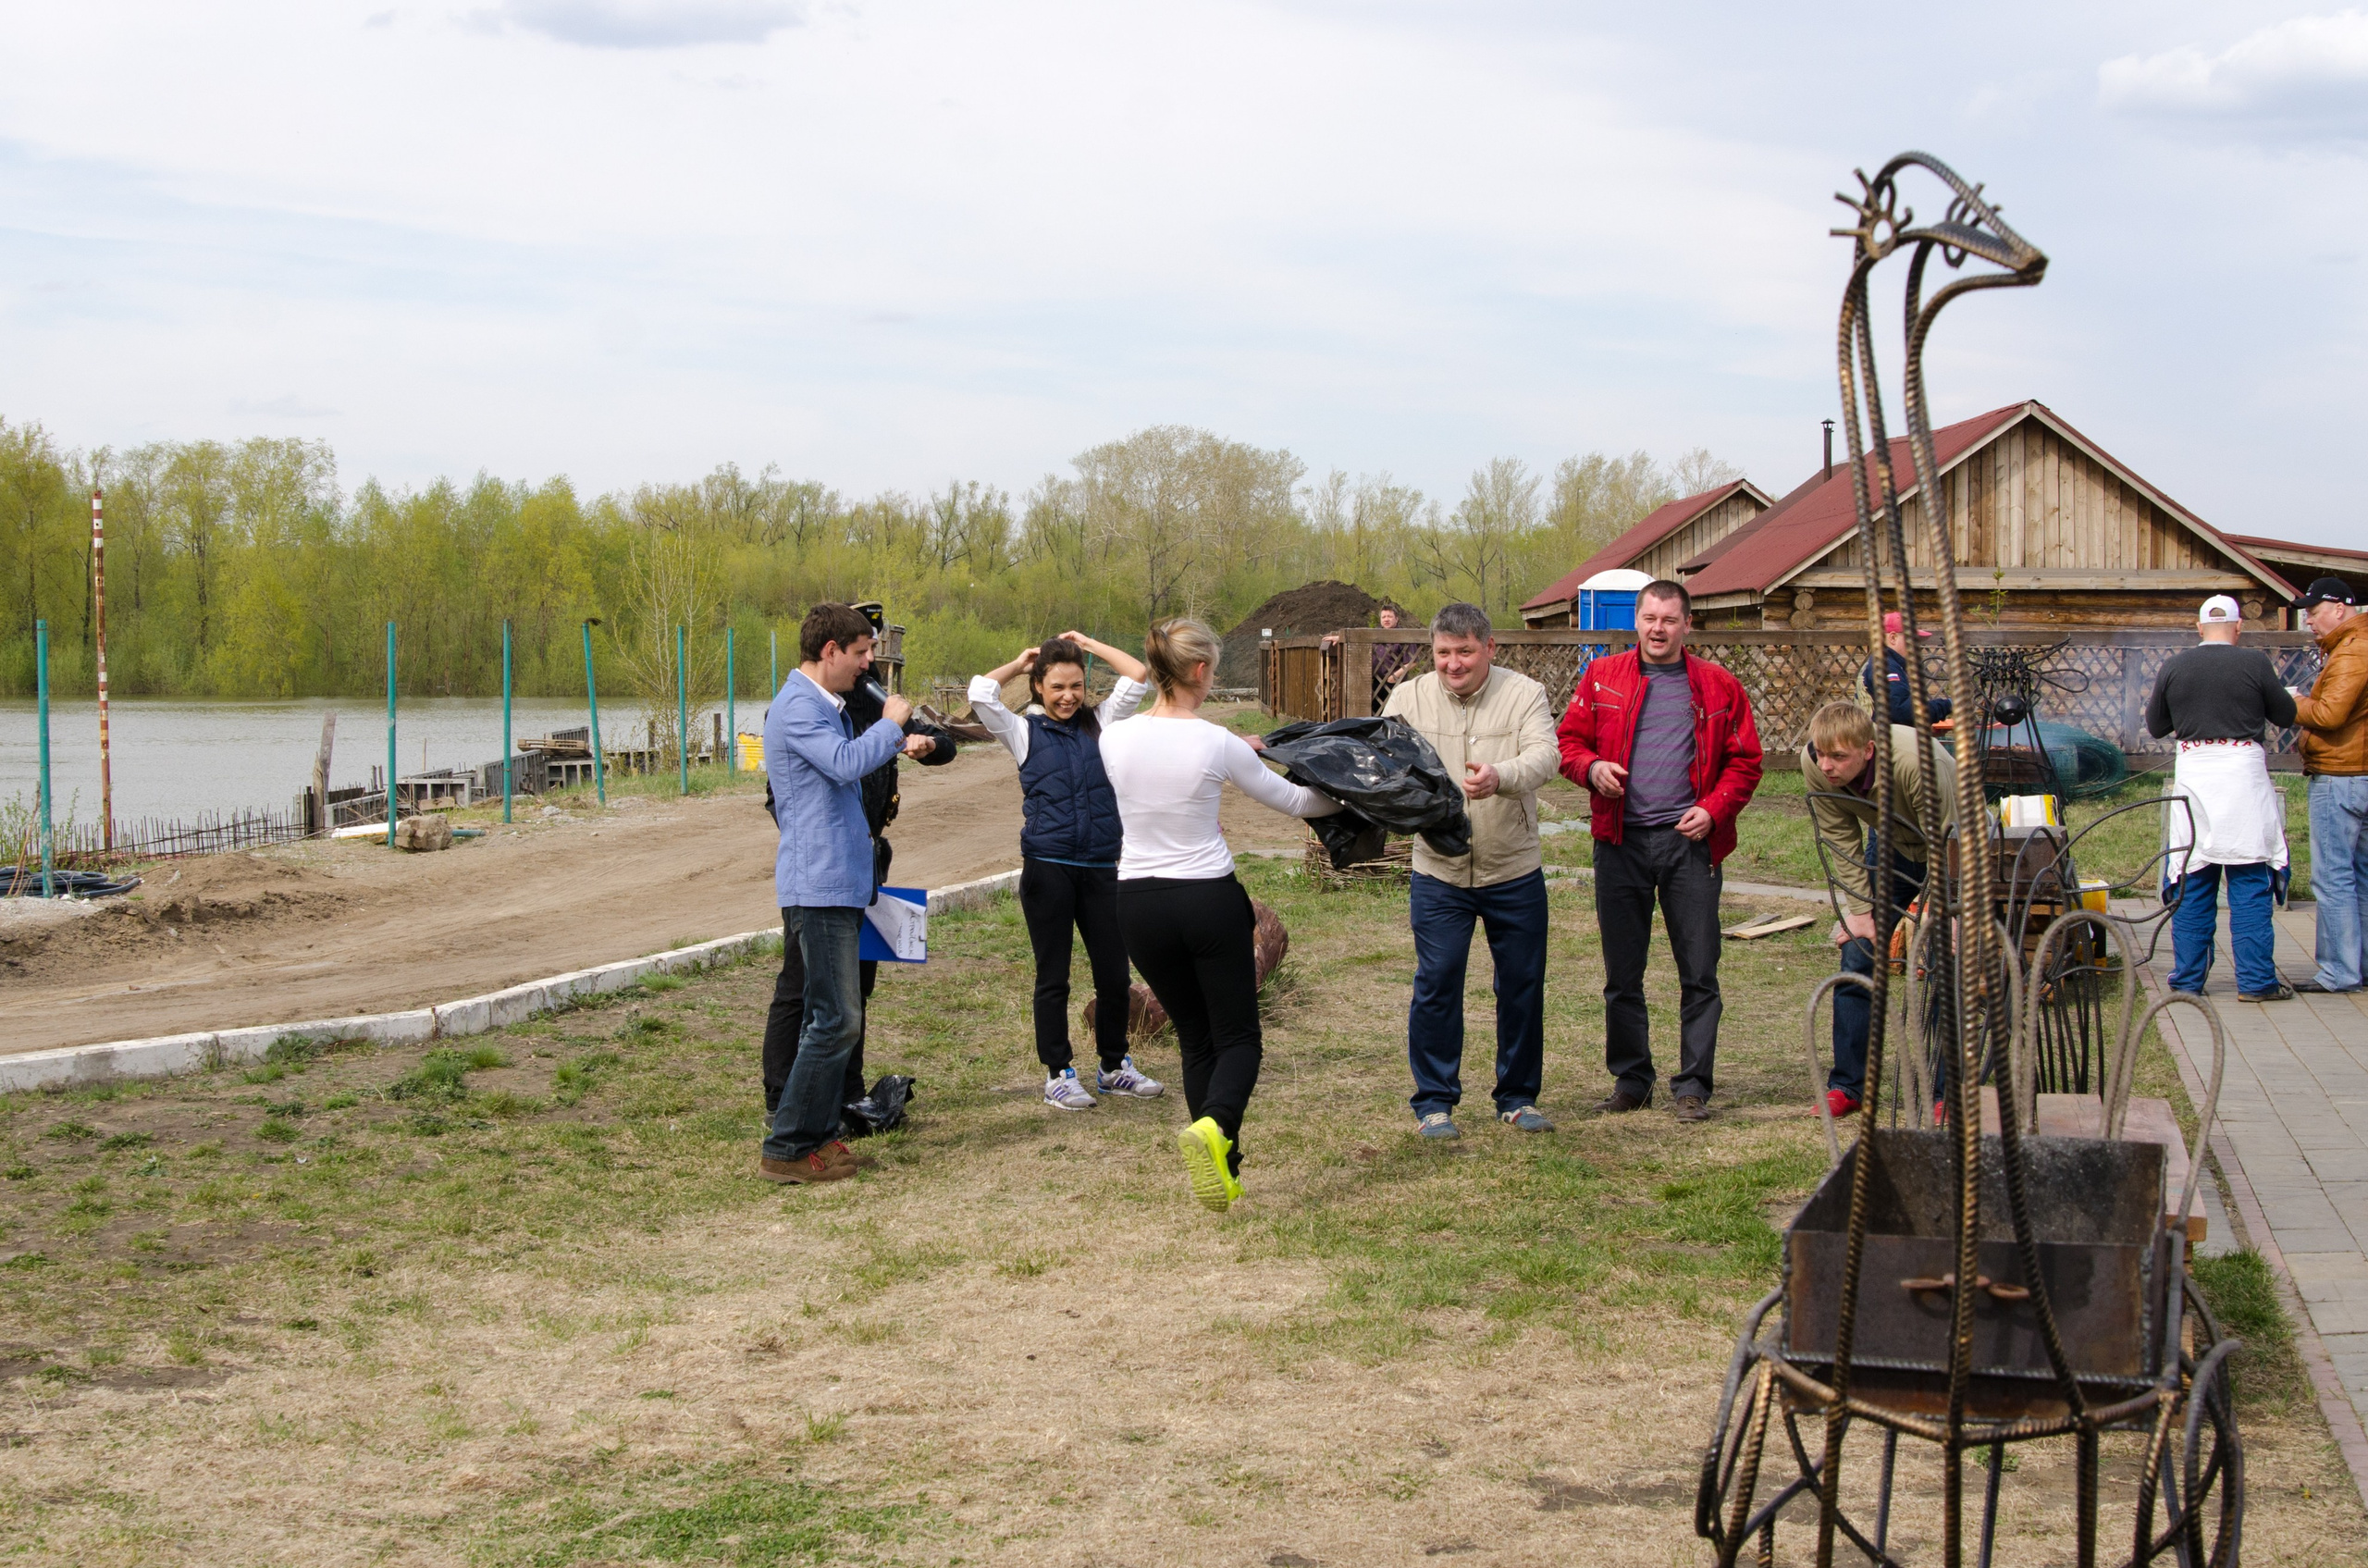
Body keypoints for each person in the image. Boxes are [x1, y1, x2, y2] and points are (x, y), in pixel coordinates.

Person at [1096, 617, 1343, 1211]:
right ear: (1201, 670)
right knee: (1239, 1038)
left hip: (1136, 904)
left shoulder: (1111, 734)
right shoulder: (1216, 741)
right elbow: (1294, 801)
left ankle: (1223, 1168)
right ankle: (1217, 1125)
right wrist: (1354, 791)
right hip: (1206, 898)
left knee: (1195, 1040)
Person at [1556, 578, 1763, 1123]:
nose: (1658, 628)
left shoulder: (1719, 686)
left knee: (1699, 971)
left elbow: (1745, 762)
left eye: (1669, 620)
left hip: (1689, 845)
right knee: (1622, 972)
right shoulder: (1603, 677)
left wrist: (1715, 809)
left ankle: (1693, 1084)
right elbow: (1568, 744)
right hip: (1619, 842)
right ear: (1638, 621)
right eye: (1650, 618)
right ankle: (1632, 1079)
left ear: (1686, 625)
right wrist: (1592, 768)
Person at [762, 603, 957, 1132]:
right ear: (831, 650)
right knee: (816, 1006)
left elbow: (939, 746)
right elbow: (842, 765)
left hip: (858, 869)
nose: (871, 662)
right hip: (820, 879)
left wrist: (921, 739)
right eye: (863, 651)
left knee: (844, 1009)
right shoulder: (803, 707)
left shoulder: (846, 701)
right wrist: (891, 727)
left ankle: (829, 1109)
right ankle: (789, 1119)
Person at [1380, 601, 1560, 1139]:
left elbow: (1546, 756)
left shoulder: (1524, 693)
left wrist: (1501, 775)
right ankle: (1434, 1102)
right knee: (1437, 983)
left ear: (1489, 649)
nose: (1453, 664)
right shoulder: (1408, 697)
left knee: (1522, 985)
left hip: (1513, 868)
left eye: (1465, 652)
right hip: (1440, 872)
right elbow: (1381, 763)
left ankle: (1517, 1096)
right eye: (1442, 653)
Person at [968, 632, 1166, 1110]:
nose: (1068, 696)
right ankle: (1059, 1074)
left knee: (1114, 975)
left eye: (1076, 686)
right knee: (1053, 978)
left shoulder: (1102, 722)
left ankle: (1114, 1066)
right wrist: (1018, 663)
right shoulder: (1022, 732)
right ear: (1038, 687)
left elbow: (1138, 675)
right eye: (1057, 686)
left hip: (1101, 867)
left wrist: (1091, 645)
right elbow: (979, 694)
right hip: (1048, 870)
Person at [1800, 702, 1956, 1117]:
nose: (1827, 766)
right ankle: (1849, 1087)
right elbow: (1841, 838)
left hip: (1954, 846)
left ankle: (1947, 1094)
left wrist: (1946, 911)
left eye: (1839, 757)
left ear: (1868, 751)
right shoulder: (1814, 763)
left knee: (1945, 958)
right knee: (1857, 952)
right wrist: (1860, 913)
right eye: (1821, 754)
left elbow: (1950, 843)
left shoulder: (1916, 765)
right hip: (1891, 845)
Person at [2146, 595, 2298, 1003]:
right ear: (2238, 627)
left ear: (2199, 628)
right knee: (2248, 878)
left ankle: (2187, 982)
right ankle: (2255, 982)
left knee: (2195, 876)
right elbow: (2285, 715)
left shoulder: (2175, 665)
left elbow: (2157, 725)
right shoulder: (2254, 663)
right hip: (2241, 772)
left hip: (2195, 772)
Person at [2290, 576, 2368, 994]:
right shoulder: (2354, 644)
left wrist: (2291, 701)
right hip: (2362, 774)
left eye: (2314, 612)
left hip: (2341, 778)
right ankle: (2361, 966)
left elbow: (2331, 714)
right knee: (2363, 878)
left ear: (2339, 608)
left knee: (2334, 878)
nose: (2309, 622)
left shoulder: (2354, 649)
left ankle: (2339, 971)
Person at [1861, 611, 1952, 726]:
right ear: (1893, 638)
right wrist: (1947, 705)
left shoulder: (1882, 661)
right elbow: (1903, 712)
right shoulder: (1887, 667)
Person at [1323, 605, 1418, 710]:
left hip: (1396, 683)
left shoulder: (1405, 636)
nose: (1386, 619)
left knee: (1395, 713)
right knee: (1376, 712)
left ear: (1397, 619)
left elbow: (1412, 662)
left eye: (1389, 616)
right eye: (1384, 617)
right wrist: (1339, 638)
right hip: (1375, 682)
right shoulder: (1375, 634)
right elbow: (1358, 637)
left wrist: (1395, 676)